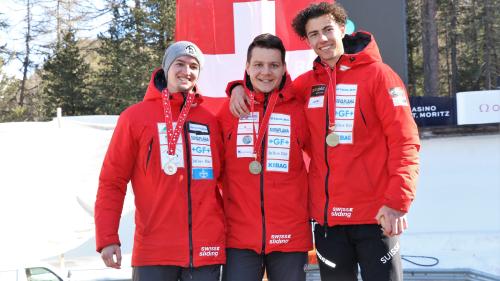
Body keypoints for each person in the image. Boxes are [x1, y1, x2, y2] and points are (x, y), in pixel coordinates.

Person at [228, 2, 420, 281]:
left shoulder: (380, 75)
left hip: (376, 217)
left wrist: (398, 201)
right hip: (329, 223)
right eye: (314, 34)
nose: (322, 39)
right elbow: (268, 87)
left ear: (342, 29)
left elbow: (406, 141)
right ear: (307, 41)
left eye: (328, 29)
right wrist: (237, 88)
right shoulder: (306, 85)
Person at [95, 41, 225, 281]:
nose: (187, 71)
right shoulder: (134, 117)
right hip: (154, 250)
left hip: (205, 250)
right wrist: (107, 237)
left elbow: (227, 181)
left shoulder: (210, 120)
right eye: (180, 64)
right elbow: (112, 181)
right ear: (166, 68)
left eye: (194, 66)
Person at [218, 33, 312, 281]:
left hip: (289, 237)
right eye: (258, 65)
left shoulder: (300, 109)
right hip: (238, 238)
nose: (266, 72)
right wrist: (235, 88)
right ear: (247, 68)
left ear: (283, 68)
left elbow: (324, 159)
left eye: (274, 65)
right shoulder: (227, 112)